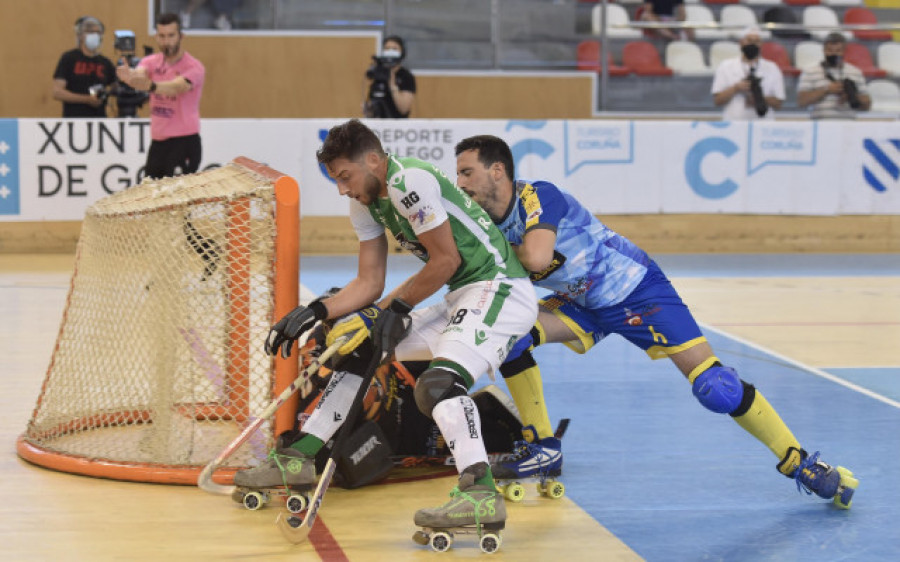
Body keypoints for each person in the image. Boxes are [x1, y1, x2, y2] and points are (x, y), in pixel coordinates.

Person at [453, 135, 857, 509]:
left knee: (716, 387)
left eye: (466, 171)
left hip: (637, 290)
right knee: (511, 338)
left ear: (498, 171)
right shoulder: (483, 220)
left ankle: (798, 462)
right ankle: (543, 448)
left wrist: (482, 252)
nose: (461, 181)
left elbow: (537, 260)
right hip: (580, 301)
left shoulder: (539, 195)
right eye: (457, 174)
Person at [234, 119, 538, 536]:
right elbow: (368, 283)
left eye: (346, 176)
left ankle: (480, 493)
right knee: (356, 349)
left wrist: (389, 310)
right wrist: (316, 312)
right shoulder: (364, 202)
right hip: (464, 295)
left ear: (374, 160)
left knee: (438, 386)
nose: (342, 189)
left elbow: (444, 261)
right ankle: (300, 458)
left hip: (501, 290)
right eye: (335, 180)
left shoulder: (408, 181)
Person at [117, 13, 205, 179]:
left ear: (181, 36)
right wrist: (130, 77)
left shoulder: (194, 66)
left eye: (171, 35)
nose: (166, 41)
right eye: (162, 36)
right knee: (152, 194)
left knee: (176, 198)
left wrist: (151, 85)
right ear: (157, 37)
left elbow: (178, 86)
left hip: (184, 140)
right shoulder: (151, 61)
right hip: (158, 142)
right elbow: (140, 74)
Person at [712, 26, 785, 120]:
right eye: (749, 40)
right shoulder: (726, 66)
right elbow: (717, 101)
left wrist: (758, 97)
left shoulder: (772, 68)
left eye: (756, 41)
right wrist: (736, 88)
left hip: (763, 124)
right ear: (741, 42)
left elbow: (778, 103)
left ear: (761, 44)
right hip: (734, 123)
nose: (752, 44)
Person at [52, 16, 116, 118]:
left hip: (99, 120)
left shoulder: (105, 63)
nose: (94, 35)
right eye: (90, 32)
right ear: (80, 35)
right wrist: (87, 99)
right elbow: (57, 92)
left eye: (98, 32)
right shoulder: (69, 58)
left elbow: (117, 87)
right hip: (74, 120)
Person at [797, 32, 871, 120]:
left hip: (847, 122)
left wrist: (851, 95)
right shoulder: (810, 71)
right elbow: (801, 101)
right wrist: (827, 90)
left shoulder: (855, 72)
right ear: (824, 50)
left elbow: (867, 105)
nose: (833, 54)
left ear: (844, 51)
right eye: (830, 50)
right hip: (820, 122)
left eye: (838, 51)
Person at [363, 35, 416, 118]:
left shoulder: (406, 76)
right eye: (387, 48)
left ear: (402, 52)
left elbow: (404, 109)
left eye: (394, 49)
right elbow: (373, 104)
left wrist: (392, 85)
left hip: (397, 125)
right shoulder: (379, 74)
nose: (390, 51)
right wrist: (368, 110)